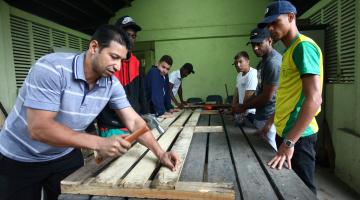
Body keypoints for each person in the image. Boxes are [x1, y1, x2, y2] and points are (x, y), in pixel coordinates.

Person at [0, 25, 180, 200]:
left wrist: (160, 153)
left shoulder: (110, 84)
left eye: (121, 61)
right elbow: (39, 128)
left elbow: (134, 121)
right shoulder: (52, 69)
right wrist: (98, 142)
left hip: (63, 154)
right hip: (20, 158)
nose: (118, 66)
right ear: (94, 47)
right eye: (114, 57)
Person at [258, 0, 323, 194]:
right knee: (288, 188)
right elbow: (288, 95)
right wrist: (271, 123)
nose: (270, 28)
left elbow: (314, 98)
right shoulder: (289, 52)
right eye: (268, 24)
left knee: (303, 191)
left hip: (299, 137)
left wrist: (289, 142)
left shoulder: (303, 47)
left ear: (291, 17)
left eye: (275, 22)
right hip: (287, 133)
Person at [96, 15, 149, 137]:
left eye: (133, 36)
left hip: (133, 124)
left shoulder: (136, 62)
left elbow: (142, 93)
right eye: (126, 34)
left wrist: (146, 114)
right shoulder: (106, 62)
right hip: (111, 126)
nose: (130, 39)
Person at [238, 27, 282, 150]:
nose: (255, 48)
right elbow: (259, 91)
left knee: (268, 154)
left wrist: (244, 107)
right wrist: (243, 106)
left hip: (269, 117)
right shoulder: (263, 62)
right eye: (253, 45)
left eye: (259, 44)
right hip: (261, 115)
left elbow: (267, 96)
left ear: (269, 40)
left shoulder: (273, 63)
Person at [231, 51, 258, 124]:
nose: (238, 65)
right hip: (241, 111)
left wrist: (240, 112)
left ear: (247, 61)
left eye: (240, 62)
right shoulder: (239, 75)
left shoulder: (253, 73)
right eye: (236, 63)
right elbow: (236, 93)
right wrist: (233, 109)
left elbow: (248, 97)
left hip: (250, 113)